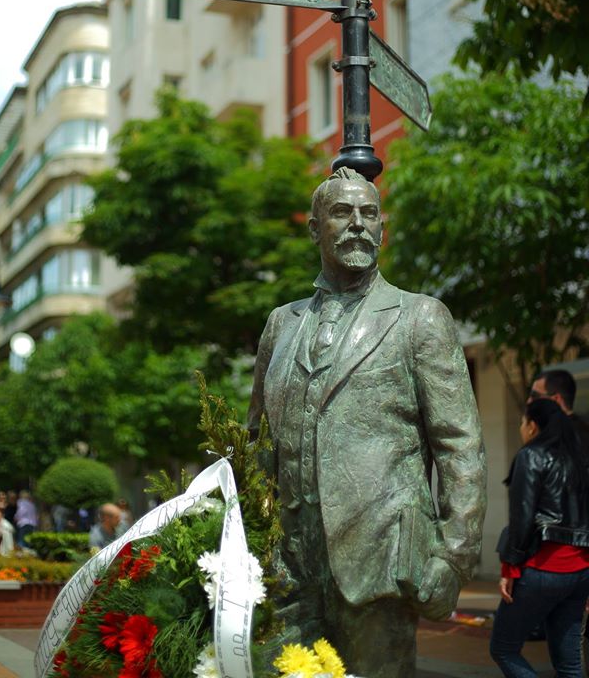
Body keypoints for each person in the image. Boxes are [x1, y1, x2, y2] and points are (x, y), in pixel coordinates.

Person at [248, 167, 487, 678]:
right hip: (284, 570)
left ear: (381, 227)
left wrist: (453, 555)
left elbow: (460, 446)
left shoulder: (419, 317)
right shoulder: (281, 325)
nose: (358, 224)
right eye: (342, 212)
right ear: (315, 229)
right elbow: (256, 442)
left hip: (381, 564)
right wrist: (243, 537)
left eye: (369, 213)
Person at [490, 399, 589, 678]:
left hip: (543, 567)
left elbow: (522, 518)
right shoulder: (579, 459)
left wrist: (509, 568)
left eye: (522, 422)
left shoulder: (530, 455)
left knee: (504, 648)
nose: (521, 428)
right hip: (581, 572)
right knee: (569, 665)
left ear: (532, 426)